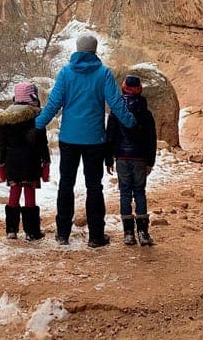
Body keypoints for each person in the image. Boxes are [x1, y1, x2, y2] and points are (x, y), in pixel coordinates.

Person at [34, 33, 136, 248]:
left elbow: (53, 103)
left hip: (69, 138)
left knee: (66, 184)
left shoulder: (65, 73)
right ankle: (96, 236)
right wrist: (131, 122)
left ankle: (62, 234)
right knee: (94, 187)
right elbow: (116, 104)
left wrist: (38, 124)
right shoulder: (103, 74)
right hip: (94, 140)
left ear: (78, 49)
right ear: (94, 50)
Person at [105, 74, 158, 246]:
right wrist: (150, 161)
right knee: (140, 193)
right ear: (140, 89)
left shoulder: (116, 111)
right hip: (140, 158)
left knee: (125, 193)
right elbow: (151, 139)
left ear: (123, 88)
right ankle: (143, 232)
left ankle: (128, 233)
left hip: (121, 157)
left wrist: (108, 159)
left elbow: (110, 136)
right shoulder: (146, 113)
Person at [0, 81, 50, 240]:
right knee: (29, 192)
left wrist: (1, 163)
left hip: (12, 162)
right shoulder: (36, 116)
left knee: (14, 191)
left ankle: (11, 230)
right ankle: (31, 232)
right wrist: (46, 162)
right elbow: (42, 143)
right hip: (31, 162)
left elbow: (2, 145)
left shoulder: (6, 118)